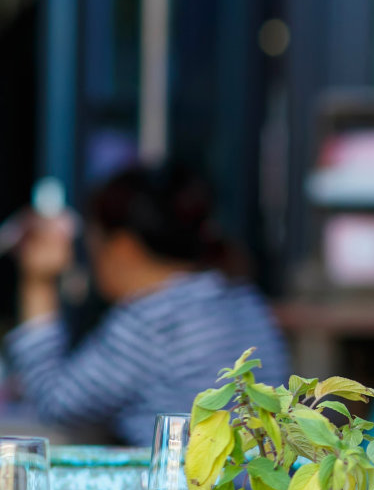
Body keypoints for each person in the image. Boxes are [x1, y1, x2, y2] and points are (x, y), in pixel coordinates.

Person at [4, 165, 288, 444]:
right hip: (252, 486)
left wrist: (38, 283)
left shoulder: (153, 321)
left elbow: (56, 405)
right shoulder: (243, 298)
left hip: (191, 489)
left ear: (123, 248)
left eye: (93, 242)